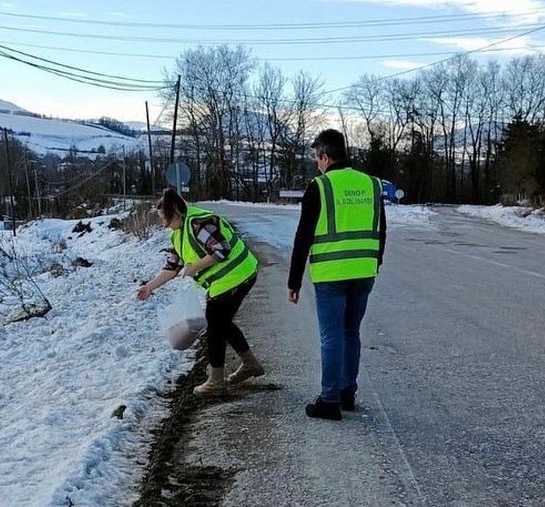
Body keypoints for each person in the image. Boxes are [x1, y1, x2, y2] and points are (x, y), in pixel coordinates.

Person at [287, 129, 387, 421]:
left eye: (317, 158)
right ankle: (347, 393)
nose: (317, 164)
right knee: (350, 333)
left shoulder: (320, 186)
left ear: (326, 156)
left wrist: (294, 281)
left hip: (331, 274)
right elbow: (381, 229)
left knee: (331, 336)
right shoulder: (371, 184)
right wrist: (375, 261)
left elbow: (303, 236)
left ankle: (329, 400)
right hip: (364, 272)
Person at [137, 188, 264, 397]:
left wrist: (194, 267)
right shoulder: (178, 234)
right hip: (225, 281)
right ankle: (250, 364)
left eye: (164, 218)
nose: (163, 224)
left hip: (236, 276)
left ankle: (216, 381)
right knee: (221, 322)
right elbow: (172, 267)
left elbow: (221, 250)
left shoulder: (198, 223)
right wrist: (149, 287)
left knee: (215, 324)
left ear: (175, 212)